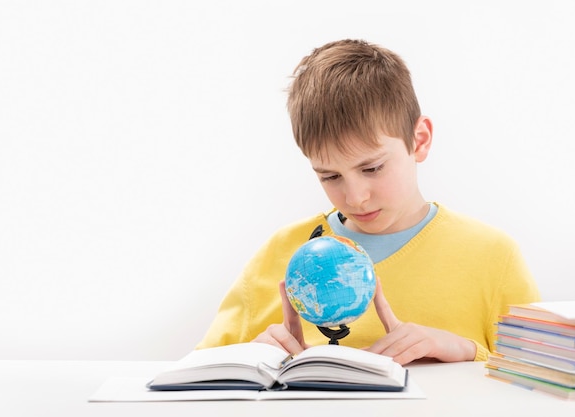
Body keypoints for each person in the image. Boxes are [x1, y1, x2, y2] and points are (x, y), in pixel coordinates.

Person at [196, 39, 540, 364]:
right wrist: (252, 357)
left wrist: (468, 352)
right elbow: (193, 376)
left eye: (372, 167)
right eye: (330, 177)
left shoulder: (493, 257)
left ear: (419, 141)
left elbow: (548, 384)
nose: (355, 197)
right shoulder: (280, 254)